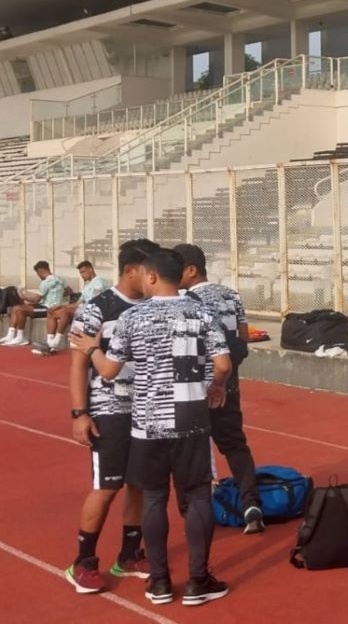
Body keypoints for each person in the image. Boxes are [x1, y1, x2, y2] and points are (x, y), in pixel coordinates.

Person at [70, 249, 232, 606]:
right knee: (197, 496)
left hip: (146, 422)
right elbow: (222, 362)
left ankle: (159, 582)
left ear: (153, 276)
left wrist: (94, 349)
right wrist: (216, 386)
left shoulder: (133, 316)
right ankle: (197, 579)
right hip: (190, 419)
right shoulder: (201, 311)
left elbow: (109, 372)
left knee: (154, 497)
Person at [64, 240, 159, 594]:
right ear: (132, 269)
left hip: (148, 408)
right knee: (107, 486)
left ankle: (130, 554)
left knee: (140, 482)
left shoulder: (154, 305)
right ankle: (83, 562)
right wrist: (79, 413)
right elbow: (77, 365)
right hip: (109, 410)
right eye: (150, 272)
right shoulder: (96, 308)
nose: (155, 278)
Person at [173, 243, 264, 535]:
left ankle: (193, 511)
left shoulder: (185, 301)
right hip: (229, 383)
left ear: (190, 270)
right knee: (235, 445)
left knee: (190, 450)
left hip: (197, 387)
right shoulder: (232, 295)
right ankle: (252, 504)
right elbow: (242, 337)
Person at [44, 261, 108, 352]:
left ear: (91, 269)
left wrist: (66, 308)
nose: (82, 275)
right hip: (83, 309)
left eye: (83, 272)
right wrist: (60, 306)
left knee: (64, 312)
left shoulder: (99, 281)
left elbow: (94, 301)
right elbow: (78, 303)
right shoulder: (87, 286)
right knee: (52, 312)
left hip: (93, 311)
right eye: (80, 273)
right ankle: (49, 342)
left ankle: (55, 343)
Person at [1, 260, 67, 347]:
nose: (38, 275)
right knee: (16, 308)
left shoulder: (46, 282)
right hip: (47, 305)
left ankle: (19, 337)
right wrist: (58, 296)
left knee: (19, 308)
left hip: (47, 308)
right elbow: (68, 291)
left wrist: (22, 296)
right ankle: (12, 335)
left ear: (40, 271)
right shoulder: (60, 279)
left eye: (38, 273)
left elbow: (36, 299)